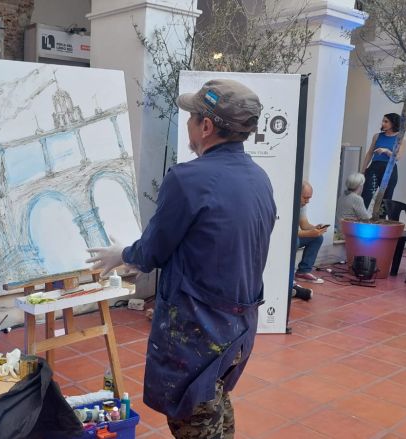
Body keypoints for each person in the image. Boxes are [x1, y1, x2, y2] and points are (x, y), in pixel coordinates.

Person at [86, 79, 276, 438]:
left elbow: (153, 251)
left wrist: (122, 254)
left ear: (206, 126)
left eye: (191, 117)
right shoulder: (259, 177)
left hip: (198, 331)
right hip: (238, 328)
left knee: (193, 419)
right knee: (215, 405)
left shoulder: (189, 179)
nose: (187, 125)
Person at [361, 113, 406, 208]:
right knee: (366, 195)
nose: (383, 123)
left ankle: (381, 219)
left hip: (389, 169)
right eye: (383, 121)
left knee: (386, 198)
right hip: (374, 167)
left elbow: (397, 157)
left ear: (393, 123)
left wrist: (386, 151)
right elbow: (369, 153)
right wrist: (363, 170)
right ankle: (361, 218)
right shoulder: (377, 136)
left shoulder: (401, 138)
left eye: (386, 121)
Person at [294, 181, 328, 284]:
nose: (307, 201)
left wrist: (315, 228)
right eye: (305, 198)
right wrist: (310, 233)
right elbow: (289, 232)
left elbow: (304, 225)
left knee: (317, 238)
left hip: (293, 236)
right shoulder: (288, 204)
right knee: (294, 241)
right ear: (296, 193)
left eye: (309, 198)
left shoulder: (301, 205)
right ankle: (287, 274)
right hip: (282, 238)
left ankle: (303, 272)